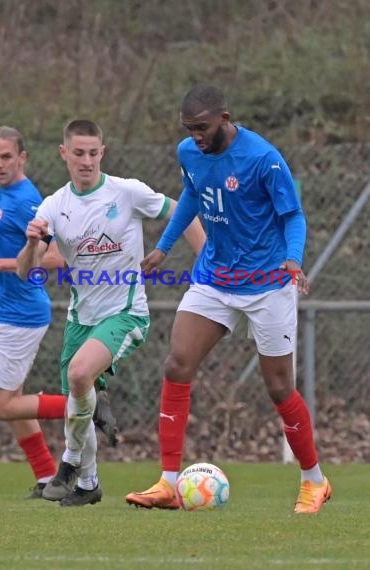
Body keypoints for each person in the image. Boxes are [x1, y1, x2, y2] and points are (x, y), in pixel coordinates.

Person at [125, 84, 332, 514]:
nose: (196, 136)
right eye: (189, 129)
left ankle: (314, 480)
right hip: (215, 278)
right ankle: (166, 483)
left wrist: (293, 260)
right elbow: (192, 198)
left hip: (267, 282)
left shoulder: (263, 158)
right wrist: (163, 247)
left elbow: (292, 215)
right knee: (177, 363)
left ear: (224, 117)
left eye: (202, 128)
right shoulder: (189, 153)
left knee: (279, 387)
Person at [16, 119, 206, 507]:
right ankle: (89, 484)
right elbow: (27, 271)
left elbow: (181, 211)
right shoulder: (53, 206)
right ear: (63, 153)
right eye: (78, 153)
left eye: (93, 152)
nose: (86, 160)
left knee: (80, 374)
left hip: (126, 313)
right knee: (78, 398)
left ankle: (68, 462)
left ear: (102, 152)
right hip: (79, 319)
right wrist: (32, 242)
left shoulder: (127, 192)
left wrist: (207, 263)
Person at [0, 126, 64, 498]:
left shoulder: (26, 201)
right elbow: (8, 250)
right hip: (6, 311)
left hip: (20, 314)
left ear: (22, 158)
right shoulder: (2, 193)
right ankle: (46, 476)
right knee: (14, 402)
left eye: (6, 157)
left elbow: (55, 256)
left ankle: (84, 406)